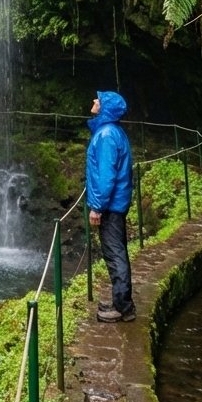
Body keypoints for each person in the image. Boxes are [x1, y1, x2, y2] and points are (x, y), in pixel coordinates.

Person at [86, 90, 136, 322]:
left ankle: (123, 308)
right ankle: (120, 301)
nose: (95, 101)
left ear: (106, 109)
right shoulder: (113, 132)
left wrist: (97, 207)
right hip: (117, 202)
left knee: (114, 253)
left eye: (100, 100)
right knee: (117, 251)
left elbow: (106, 177)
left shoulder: (106, 135)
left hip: (111, 205)